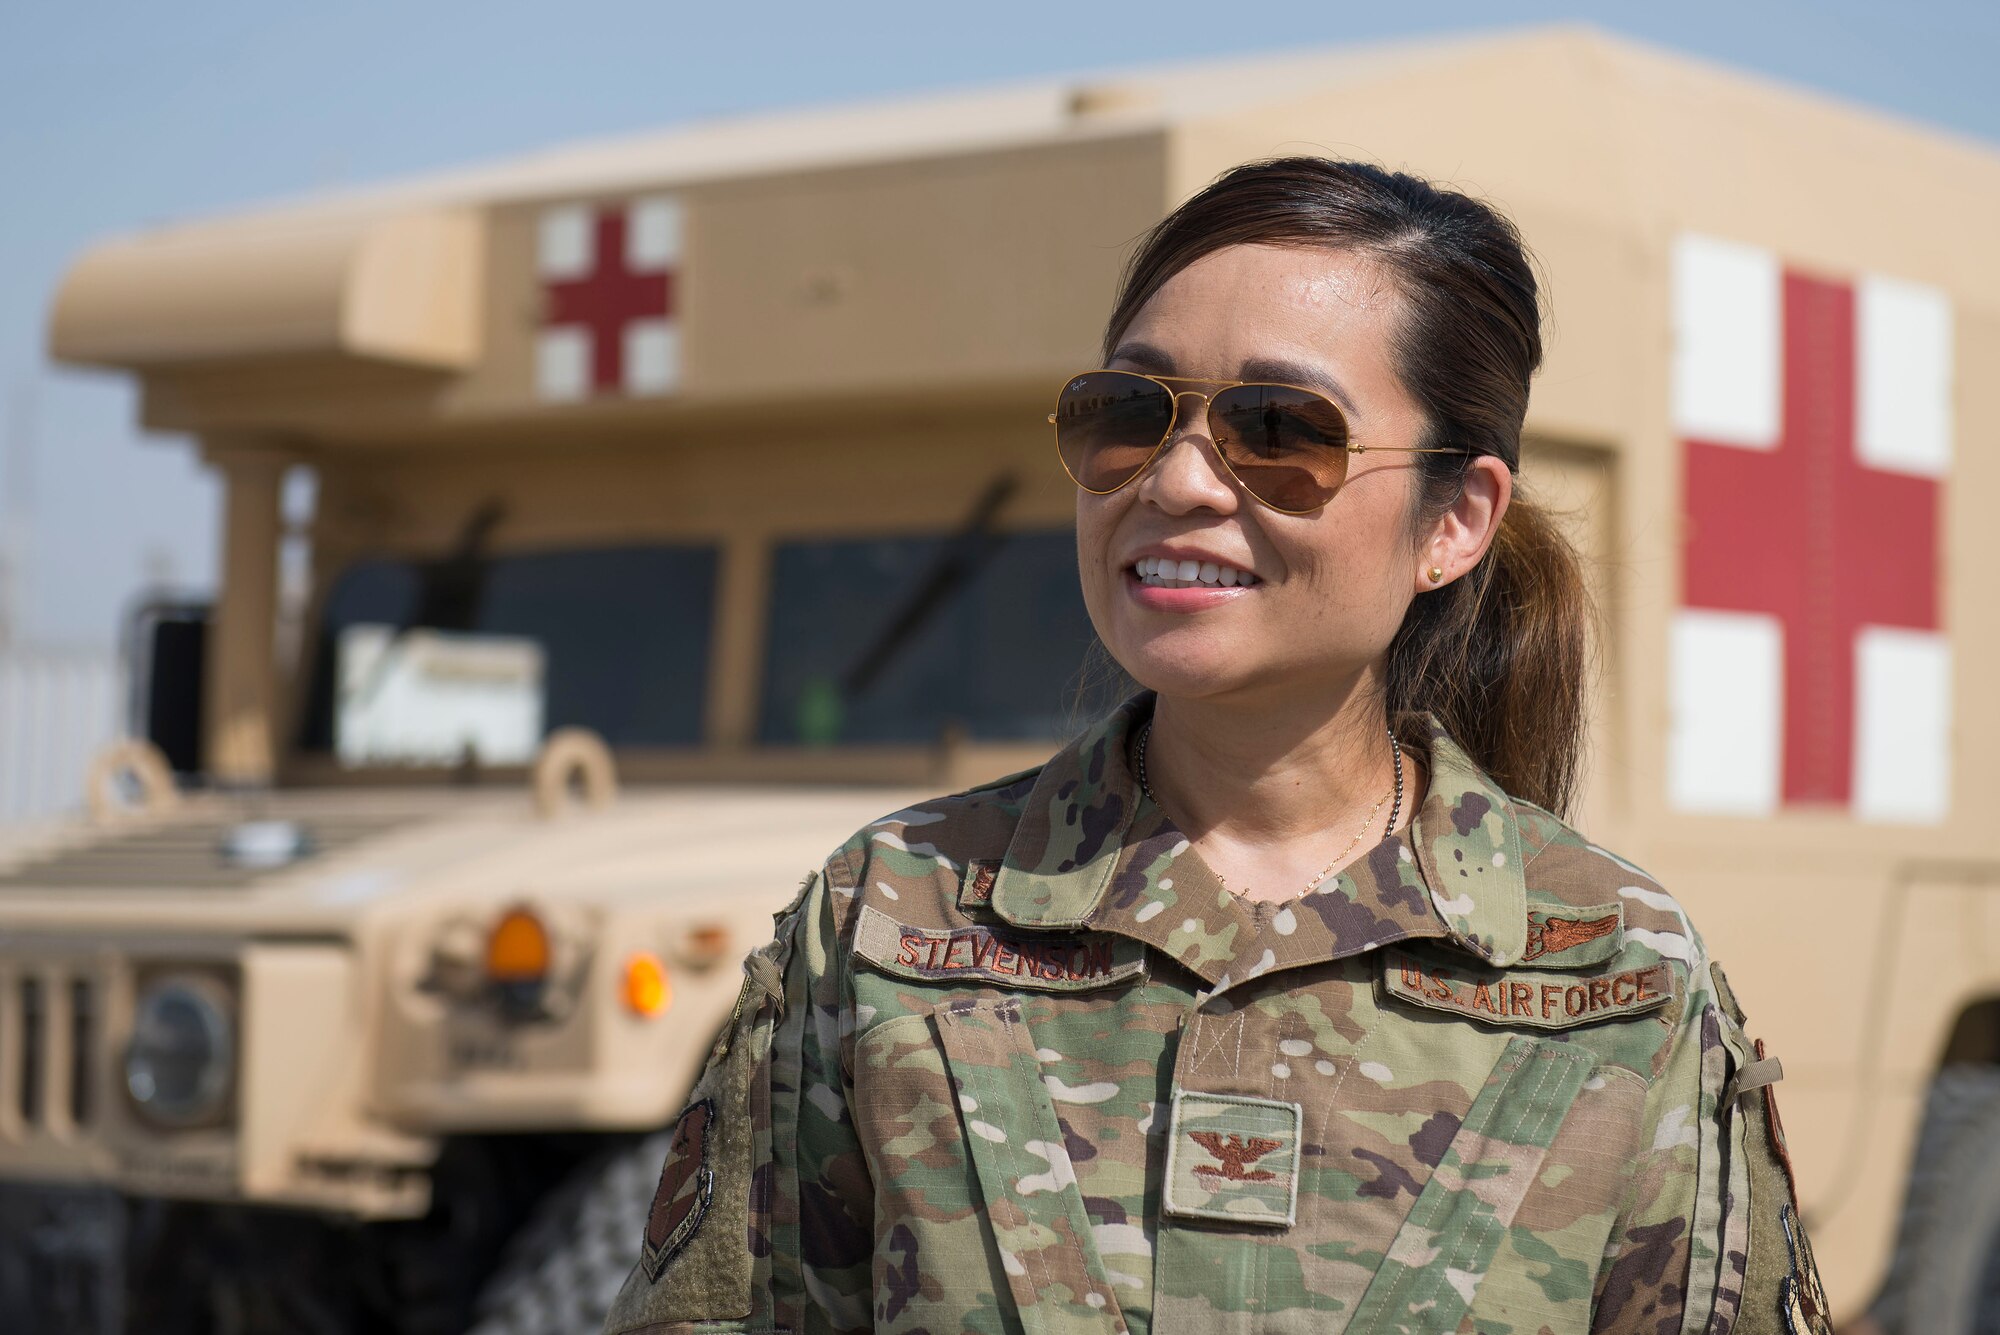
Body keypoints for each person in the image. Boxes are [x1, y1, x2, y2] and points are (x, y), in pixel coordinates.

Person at [602, 157, 1828, 1335]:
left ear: (1452, 521)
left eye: (1280, 428)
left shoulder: (1612, 969)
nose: (1176, 479)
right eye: (1128, 412)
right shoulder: (888, 919)